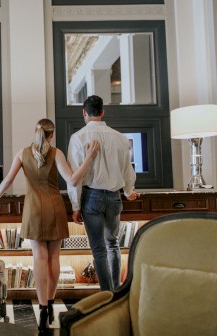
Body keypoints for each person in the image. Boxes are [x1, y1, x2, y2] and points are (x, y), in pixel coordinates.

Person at [0, 118, 99, 333]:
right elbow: (72, 181)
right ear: (52, 134)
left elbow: (7, 180)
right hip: (54, 207)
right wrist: (89, 158)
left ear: (36, 131)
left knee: (39, 258)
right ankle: (51, 303)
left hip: (33, 209)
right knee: (54, 258)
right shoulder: (57, 153)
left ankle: (43, 309)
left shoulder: (22, 153)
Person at [67, 95, 139, 292]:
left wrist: (75, 206)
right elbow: (128, 171)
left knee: (98, 249)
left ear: (84, 112)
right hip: (114, 196)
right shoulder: (121, 138)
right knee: (113, 244)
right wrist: (129, 192)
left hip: (91, 197)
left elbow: (75, 177)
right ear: (102, 112)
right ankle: (116, 291)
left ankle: (106, 293)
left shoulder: (78, 138)